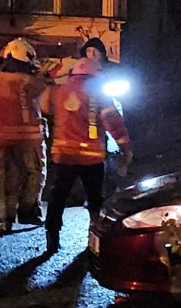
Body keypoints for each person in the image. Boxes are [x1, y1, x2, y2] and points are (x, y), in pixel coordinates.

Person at [40, 58, 130, 255]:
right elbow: (113, 123)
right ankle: (96, 239)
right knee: (95, 199)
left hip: (63, 156)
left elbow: (45, 108)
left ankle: (52, 237)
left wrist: (47, 81)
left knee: (57, 197)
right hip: (91, 157)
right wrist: (125, 148)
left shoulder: (59, 90)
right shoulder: (99, 92)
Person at [0, 39, 48, 234]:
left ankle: (5, 220)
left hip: (2, 139)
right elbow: (47, 104)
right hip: (32, 140)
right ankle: (28, 212)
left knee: (4, 179)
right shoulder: (34, 82)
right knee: (35, 175)